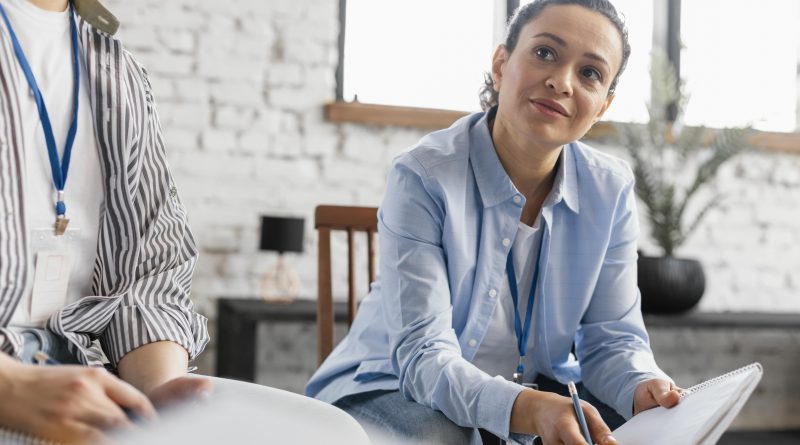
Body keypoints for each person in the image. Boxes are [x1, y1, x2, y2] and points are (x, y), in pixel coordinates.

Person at [306, 1, 683, 444]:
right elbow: (424, 356)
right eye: (545, 53)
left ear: (603, 105)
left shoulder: (610, 190)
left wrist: (643, 386)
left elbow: (612, 341)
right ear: (501, 65)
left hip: (533, 388)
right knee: (446, 436)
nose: (561, 82)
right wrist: (525, 408)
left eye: (590, 74)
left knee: (635, 427)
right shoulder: (423, 176)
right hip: (389, 384)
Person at [0, 0, 210, 442]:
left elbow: (149, 275)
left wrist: (159, 393)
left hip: (82, 388)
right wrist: (13, 389)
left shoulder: (118, 69)